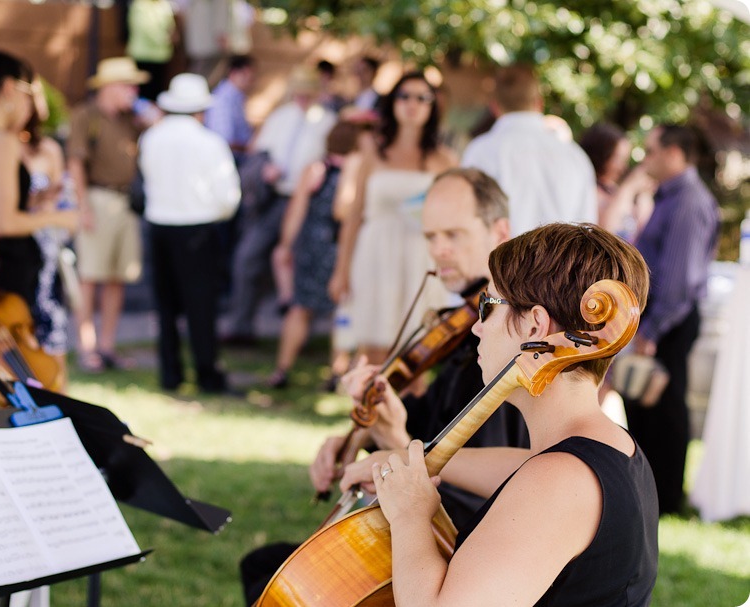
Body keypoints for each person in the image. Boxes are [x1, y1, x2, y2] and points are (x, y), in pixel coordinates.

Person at [240, 168, 529, 605]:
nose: (440, 251)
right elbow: (429, 429)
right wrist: (357, 434)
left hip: (461, 561)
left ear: (500, 231)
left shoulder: (501, 353)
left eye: (453, 234)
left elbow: (473, 503)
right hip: (428, 538)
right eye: (431, 237)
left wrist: (394, 440)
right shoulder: (459, 337)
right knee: (267, 567)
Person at [360, 222, 657, 606]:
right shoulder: (609, 446)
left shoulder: (558, 482)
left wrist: (410, 517)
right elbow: (521, 468)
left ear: (536, 325)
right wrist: (408, 459)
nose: (477, 328)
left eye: (488, 307)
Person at [329, 72, 457, 365]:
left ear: (432, 106)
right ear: (392, 102)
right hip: (375, 254)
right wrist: (341, 270)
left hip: (421, 257)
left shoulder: (444, 159)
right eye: (404, 96)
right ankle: (372, 410)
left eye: (422, 98)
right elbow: (354, 214)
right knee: (373, 350)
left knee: (417, 353)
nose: (412, 104)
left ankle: (413, 411)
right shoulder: (371, 150)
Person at [624, 124, 719, 515]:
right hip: (660, 318)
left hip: (670, 319)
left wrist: (652, 330)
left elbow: (679, 280)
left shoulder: (688, 202)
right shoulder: (669, 196)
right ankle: (650, 491)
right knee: (644, 407)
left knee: (663, 409)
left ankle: (665, 496)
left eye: (651, 151)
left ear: (675, 153)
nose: (646, 159)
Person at [0, 48, 79, 312]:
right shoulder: (1, 142)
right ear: (9, 88)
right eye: (29, 94)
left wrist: (34, 199)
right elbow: (3, 223)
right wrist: (60, 218)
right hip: (8, 271)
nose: (30, 105)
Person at [140, 73, 241, 393]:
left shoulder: (151, 138)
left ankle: (171, 373)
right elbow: (228, 197)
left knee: (165, 306)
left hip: (159, 227)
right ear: (200, 109)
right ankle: (206, 372)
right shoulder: (210, 142)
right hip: (198, 229)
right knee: (202, 306)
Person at [222, 66, 337, 345]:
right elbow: (258, 151)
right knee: (249, 256)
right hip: (275, 198)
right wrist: (266, 168)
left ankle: (298, 335)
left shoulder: (328, 121)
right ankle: (241, 326)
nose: (302, 97)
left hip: (309, 202)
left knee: (298, 264)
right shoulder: (280, 118)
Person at [66, 57, 149, 372]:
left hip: (125, 202)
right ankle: (87, 349)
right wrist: (83, 206)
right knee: (91, 277)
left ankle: (107, 346)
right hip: (97, 199)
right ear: (110, 87)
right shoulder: (86, 115)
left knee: (118, 278)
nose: (134, 91)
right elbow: (75, 163)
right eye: (128, 85)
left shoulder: (131, 120)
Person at [266, 121, 360, 389]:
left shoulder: (316, 169)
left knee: (300, 309)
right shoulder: (356, 171)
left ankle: (282, 369)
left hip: (311, 247)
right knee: (341, 311)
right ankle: (337, 372)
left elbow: (295, 211)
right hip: (341, 247)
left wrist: (285, 244)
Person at [461, 63, 597, 236]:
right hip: (562, 262)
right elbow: (588, 229)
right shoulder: (575, 156)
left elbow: (468, 219)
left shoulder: (480, 152)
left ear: (494, 106)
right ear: (539, 102)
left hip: (499, 260)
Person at [20, 81, 73, 379]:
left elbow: (58, 198)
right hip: (10, 241)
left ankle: (55, 381)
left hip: (43, 240)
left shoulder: (48, 149)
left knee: (49, 309)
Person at [578, 122, 655, 242]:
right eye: (618, 159)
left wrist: (645, 194)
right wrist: (629, 188)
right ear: (601, 155)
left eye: (625, 160)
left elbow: (643, 230)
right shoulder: (588, 190)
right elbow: (606, 232)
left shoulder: (614, 190)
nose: (623, 167)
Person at [204, 55, 255, 163]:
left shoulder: (236, 98)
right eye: (245, 74)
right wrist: (248, 148)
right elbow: (222, 141)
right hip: (227, 161)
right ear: (232, 73)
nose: (249, 80)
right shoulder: (222, 100)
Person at [126, 0, 177, 100]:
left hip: (161, 56)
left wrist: (172, 35)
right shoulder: (140, 4)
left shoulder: (164, 4)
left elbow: (171, 24)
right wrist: (165, 39)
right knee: (144, 90)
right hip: (143, 56)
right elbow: (145, 28)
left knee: (156, 90)